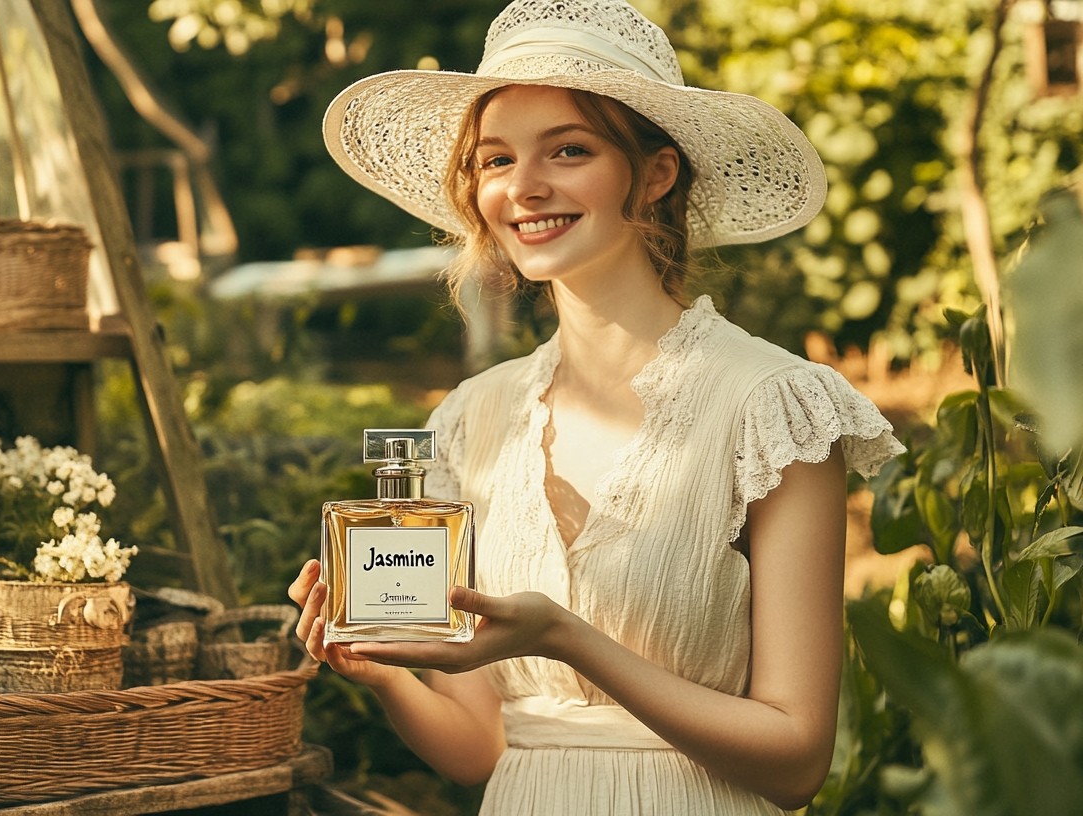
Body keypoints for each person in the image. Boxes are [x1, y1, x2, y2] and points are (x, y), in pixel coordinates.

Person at [287, 0, 906, 814]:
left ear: (655, 173)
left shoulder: (774, 407)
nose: (524, 187)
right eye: (495, 159)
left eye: (569, 150)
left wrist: (567, 637)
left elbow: (796, 761)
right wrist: (380, 673)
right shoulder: (472, 419)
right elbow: (478, 750)